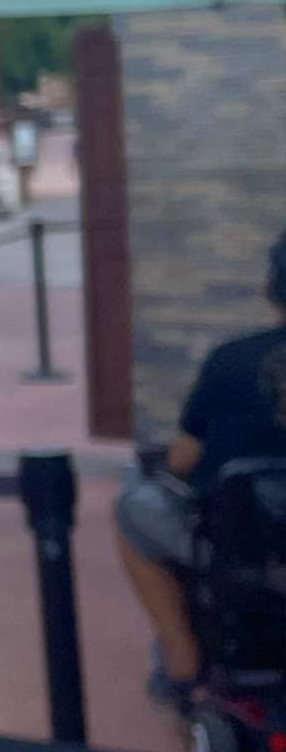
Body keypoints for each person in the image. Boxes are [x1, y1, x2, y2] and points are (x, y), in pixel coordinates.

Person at [114, 231, 286, 712]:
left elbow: (181, 462)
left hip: (246, 545)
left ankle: (183, 665)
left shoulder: (229, 361)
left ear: (270, 289)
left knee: (133, 510)